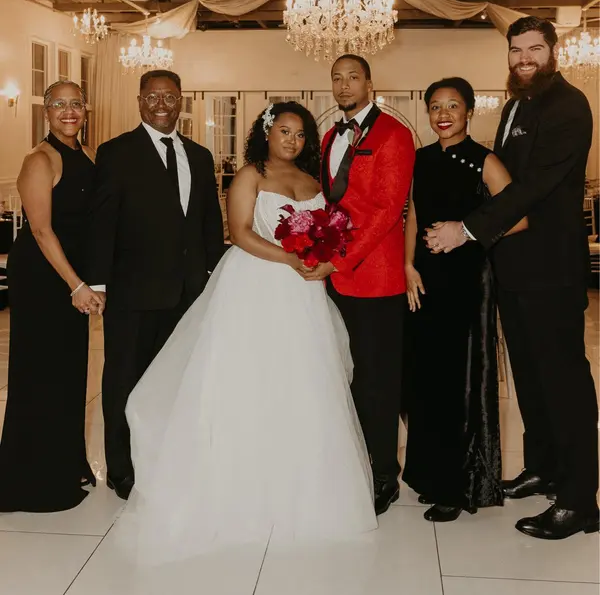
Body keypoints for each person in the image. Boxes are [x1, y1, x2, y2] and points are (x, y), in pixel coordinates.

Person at [114, 101, 376, 563]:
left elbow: (329, 233)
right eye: (284, 131)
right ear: (267, 132)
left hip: (303, 294)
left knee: (301, 384)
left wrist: (318, 255)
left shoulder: (313, 182)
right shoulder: (250, 175)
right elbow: (239, 232)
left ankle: (303, 490)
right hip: (255, 285)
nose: (292, 140)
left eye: (300, 134)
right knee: (246, 381)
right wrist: (290, 257)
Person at [426, 17, 598, 540]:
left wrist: (466, 229)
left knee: (563, 382)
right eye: (516, 49)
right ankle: (544, 467)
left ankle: (580, 500)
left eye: (534, 49)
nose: (524, 58)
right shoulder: (515, 105)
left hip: (552, 270)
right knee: (529, 377)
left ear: (553, 52)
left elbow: (531, 188)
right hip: (515, 269)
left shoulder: (569, 106)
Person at [86, 70, 224, 501]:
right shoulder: (116, 152)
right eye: (152, 97)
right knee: (124, 380)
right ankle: (123, 470)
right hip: (133, 292)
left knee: (176, 381)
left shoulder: (200, 156)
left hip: (187, 294)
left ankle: (165, 462)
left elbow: (209, 224)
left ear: (181, 101)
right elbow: (103, 222)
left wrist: (214, 279)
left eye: (169, 96)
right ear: (139, 101)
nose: (161, 104)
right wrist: (97, 283)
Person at [403, 77, 527, 523]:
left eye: (453, 105)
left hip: (466, 281)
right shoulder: (420, 159)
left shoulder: (484, 160)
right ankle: (428, 474)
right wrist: (407, 265)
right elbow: (414, 214)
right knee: (425, 378)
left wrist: (467, 234)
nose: (443, 114)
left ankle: (455, 486)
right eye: (435, 106)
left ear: (469, 111)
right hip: (424, 278)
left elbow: (518, 219)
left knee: (457, 381)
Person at [307, 55, 415, 516]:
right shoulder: (329, 135)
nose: (344, 85)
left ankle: (385, 475)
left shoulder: (394, 134)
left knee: (378, 381)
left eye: (353, 77)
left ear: (370, 82)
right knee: (344, 376)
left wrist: (339, 260)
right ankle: (353, 465)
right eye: (337, 78)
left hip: (376, 278)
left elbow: (388, 211)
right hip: (335, 279)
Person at [0, 81, 103, 512]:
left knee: (69, 373)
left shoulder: (89, 155)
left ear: (85, 109)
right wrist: (76, 285)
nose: (68, 111)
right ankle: (32, 479)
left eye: (75, 103)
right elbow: (41, 231)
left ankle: (64, 464)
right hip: (43, 278)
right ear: (46, 112)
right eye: (59, 104)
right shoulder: (39, 160)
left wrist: (92, 281)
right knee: (41, 373)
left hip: (69, 275)